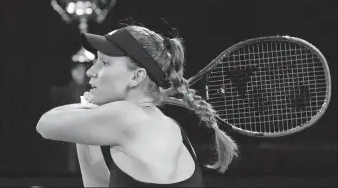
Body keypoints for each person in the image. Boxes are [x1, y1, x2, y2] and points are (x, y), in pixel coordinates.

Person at [36, 25, 238, 187]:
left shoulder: (127, 116)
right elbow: (98, 184)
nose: (91, 72)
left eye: (104, 63)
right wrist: (84, 128)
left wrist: (88, 110)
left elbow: (45, 124)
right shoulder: (169, 126)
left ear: (136, 76)